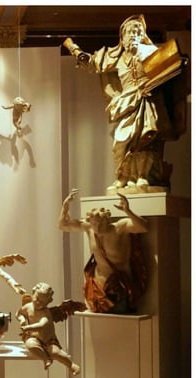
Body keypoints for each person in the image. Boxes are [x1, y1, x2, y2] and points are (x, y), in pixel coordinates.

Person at [63, 15, 186, 193]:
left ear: (142, 34)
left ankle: (143, 176)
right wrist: (76, 51)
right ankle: (123, 176)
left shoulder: (152, 52)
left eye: (137, 32)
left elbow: (168, 71)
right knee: (121, 141)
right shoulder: (116, 56)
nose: (133, 35)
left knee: (146, 138)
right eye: (130, 32)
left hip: (148, 99)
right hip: (127, 101)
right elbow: (93, 63)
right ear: (122, 36)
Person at [58, 188, 149, 313]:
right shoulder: (89, 228)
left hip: (120, 286)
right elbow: (62, 225)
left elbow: (143, 227)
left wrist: (128, 211)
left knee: (121, 314)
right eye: (94, 224)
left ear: (107, 220)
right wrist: (65, 206)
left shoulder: (119, 228)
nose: (98, 227)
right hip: (98, 287)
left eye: (101, 223)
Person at [16, 282, 81, 375]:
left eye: (42, 302)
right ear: (33, 293)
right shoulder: (28, 307)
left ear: (48, 302)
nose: (38, 302)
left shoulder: (45, 313)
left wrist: (27, 327)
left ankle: (71, 364)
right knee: (31, 345)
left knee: (55, 352)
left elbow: (41, 325)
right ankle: (46, 359)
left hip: (48, 340)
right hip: (33, 337)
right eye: (36, 298)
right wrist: (22, 319)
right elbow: (19, 313)